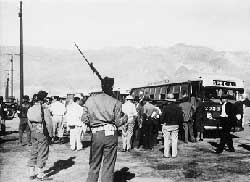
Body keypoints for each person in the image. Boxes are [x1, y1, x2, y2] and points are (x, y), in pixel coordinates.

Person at [83, 76, 127, 182]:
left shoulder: (90, 100)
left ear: (101, 85)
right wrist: (125, 118)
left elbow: (84, 118)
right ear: (112, 86)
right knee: (108, 164)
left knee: (94, 164)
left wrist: (94, 123)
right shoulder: (116, 102)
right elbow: (117, 122)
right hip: (111, 134)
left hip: (96, 134)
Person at [27, 91, 50, 180]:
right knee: (42, 152)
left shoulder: (31, 108)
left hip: (34, 131)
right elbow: (49, 123)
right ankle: (40, 174)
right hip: (42, 132)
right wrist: (51, 134)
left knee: (34, 150)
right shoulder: (44, 109)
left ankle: (31, 173)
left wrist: (32, 129)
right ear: (43, 99)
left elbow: (28, 120)